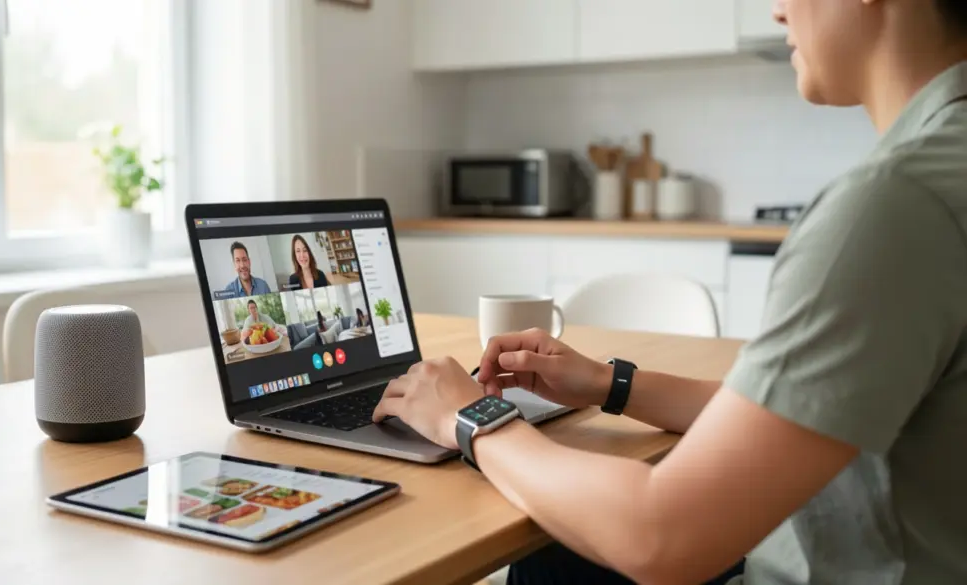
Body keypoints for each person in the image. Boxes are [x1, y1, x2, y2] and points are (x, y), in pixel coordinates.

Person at [372, 1, 967, 584]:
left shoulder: (894, 205)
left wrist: (469, 417)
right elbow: (785, 413)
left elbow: (661, 538)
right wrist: (609, 384)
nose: (779, 11)